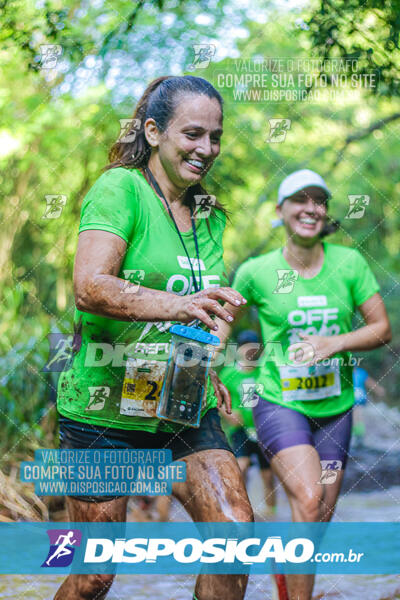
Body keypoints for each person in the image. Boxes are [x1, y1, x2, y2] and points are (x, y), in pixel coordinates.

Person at [55, 75, 253, 600]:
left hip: (180, 410)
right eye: (192, 134)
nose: (206, 148)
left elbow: (202, 311)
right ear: (153, 131)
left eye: (215, 136)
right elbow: (89, 286)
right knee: (94, 575)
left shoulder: (208, 216)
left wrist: (206, 366)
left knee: (234, 539)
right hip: (105, 411)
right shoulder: (120, 189)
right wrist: (176, 304)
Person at [215, 169, 391, 600]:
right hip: (280, 403)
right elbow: (224, 325)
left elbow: (381, 328)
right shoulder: (257, 272)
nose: (310, 208)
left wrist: (336, 342)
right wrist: (206, 369)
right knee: (309, 501)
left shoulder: (349, 264)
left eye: (319, 201)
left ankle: (287, 573)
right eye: (300, 199)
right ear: (281, 211)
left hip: (336, 408)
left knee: (316, 517)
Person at [219, 330, 277, 517]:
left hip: (264, 429)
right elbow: (217, 398)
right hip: (240, 429)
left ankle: (272, 513)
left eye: (253, 346)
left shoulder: (265, 371)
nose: (249, 350)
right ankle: (241, 508)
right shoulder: (229, 373)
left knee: (268, 475)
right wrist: (228, 413)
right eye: (245, 346)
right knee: (241, 466)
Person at [352, 364, 385, 445]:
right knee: (357, 417)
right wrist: (378, 390)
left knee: (357, 416)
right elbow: (370, 383)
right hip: (353, 399)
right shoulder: (357, 373)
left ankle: (359, 436)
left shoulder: (360, 373)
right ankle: (358, 435)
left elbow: (370, 383)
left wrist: (378, 389)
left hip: (359, 399)